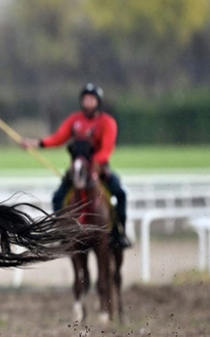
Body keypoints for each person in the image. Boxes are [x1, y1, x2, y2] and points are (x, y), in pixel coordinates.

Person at [20, 83, 130, 248]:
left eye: (92, 99)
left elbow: (106, 150)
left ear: (98, 102)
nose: (88, 102)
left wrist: (92, 164)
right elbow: (58, 138)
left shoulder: (107, 122)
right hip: (77, 169)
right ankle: (62, 233)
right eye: (85, 99)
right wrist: (36, 143)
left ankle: (119, 234)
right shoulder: (74, 120)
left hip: (98, 168)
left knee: (120, 194)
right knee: (58, 197)